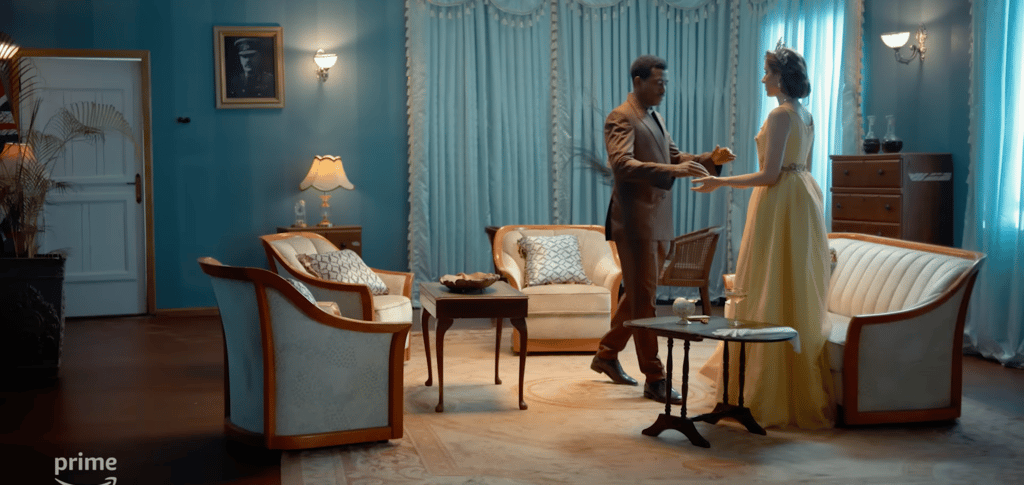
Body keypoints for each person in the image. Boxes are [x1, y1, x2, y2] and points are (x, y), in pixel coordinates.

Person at [691, 46, 836, 429]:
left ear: (781, 77)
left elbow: (770, 175)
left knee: (770, 280)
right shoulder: (806, 115)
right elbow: (802, 166)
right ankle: (783, 377)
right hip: (802, 199)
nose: (763, 79)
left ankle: (765, 386)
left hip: (778, 203)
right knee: (790, 281)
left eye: (767, 73)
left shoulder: (780, 114)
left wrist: (720, 182)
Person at [590, 55, 735, 404]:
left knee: (641, 294)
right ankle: (654, 377)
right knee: (645, 300)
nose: (664, 89)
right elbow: (622, 164)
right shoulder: (621, 116)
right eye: (658, 83)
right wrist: (675, 171)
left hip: (657, 219)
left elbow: (674, 156)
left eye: (666, 83)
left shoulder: (656, 117)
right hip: (635, 222)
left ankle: (607, 355)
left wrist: (709, 159)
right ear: (638, 81)